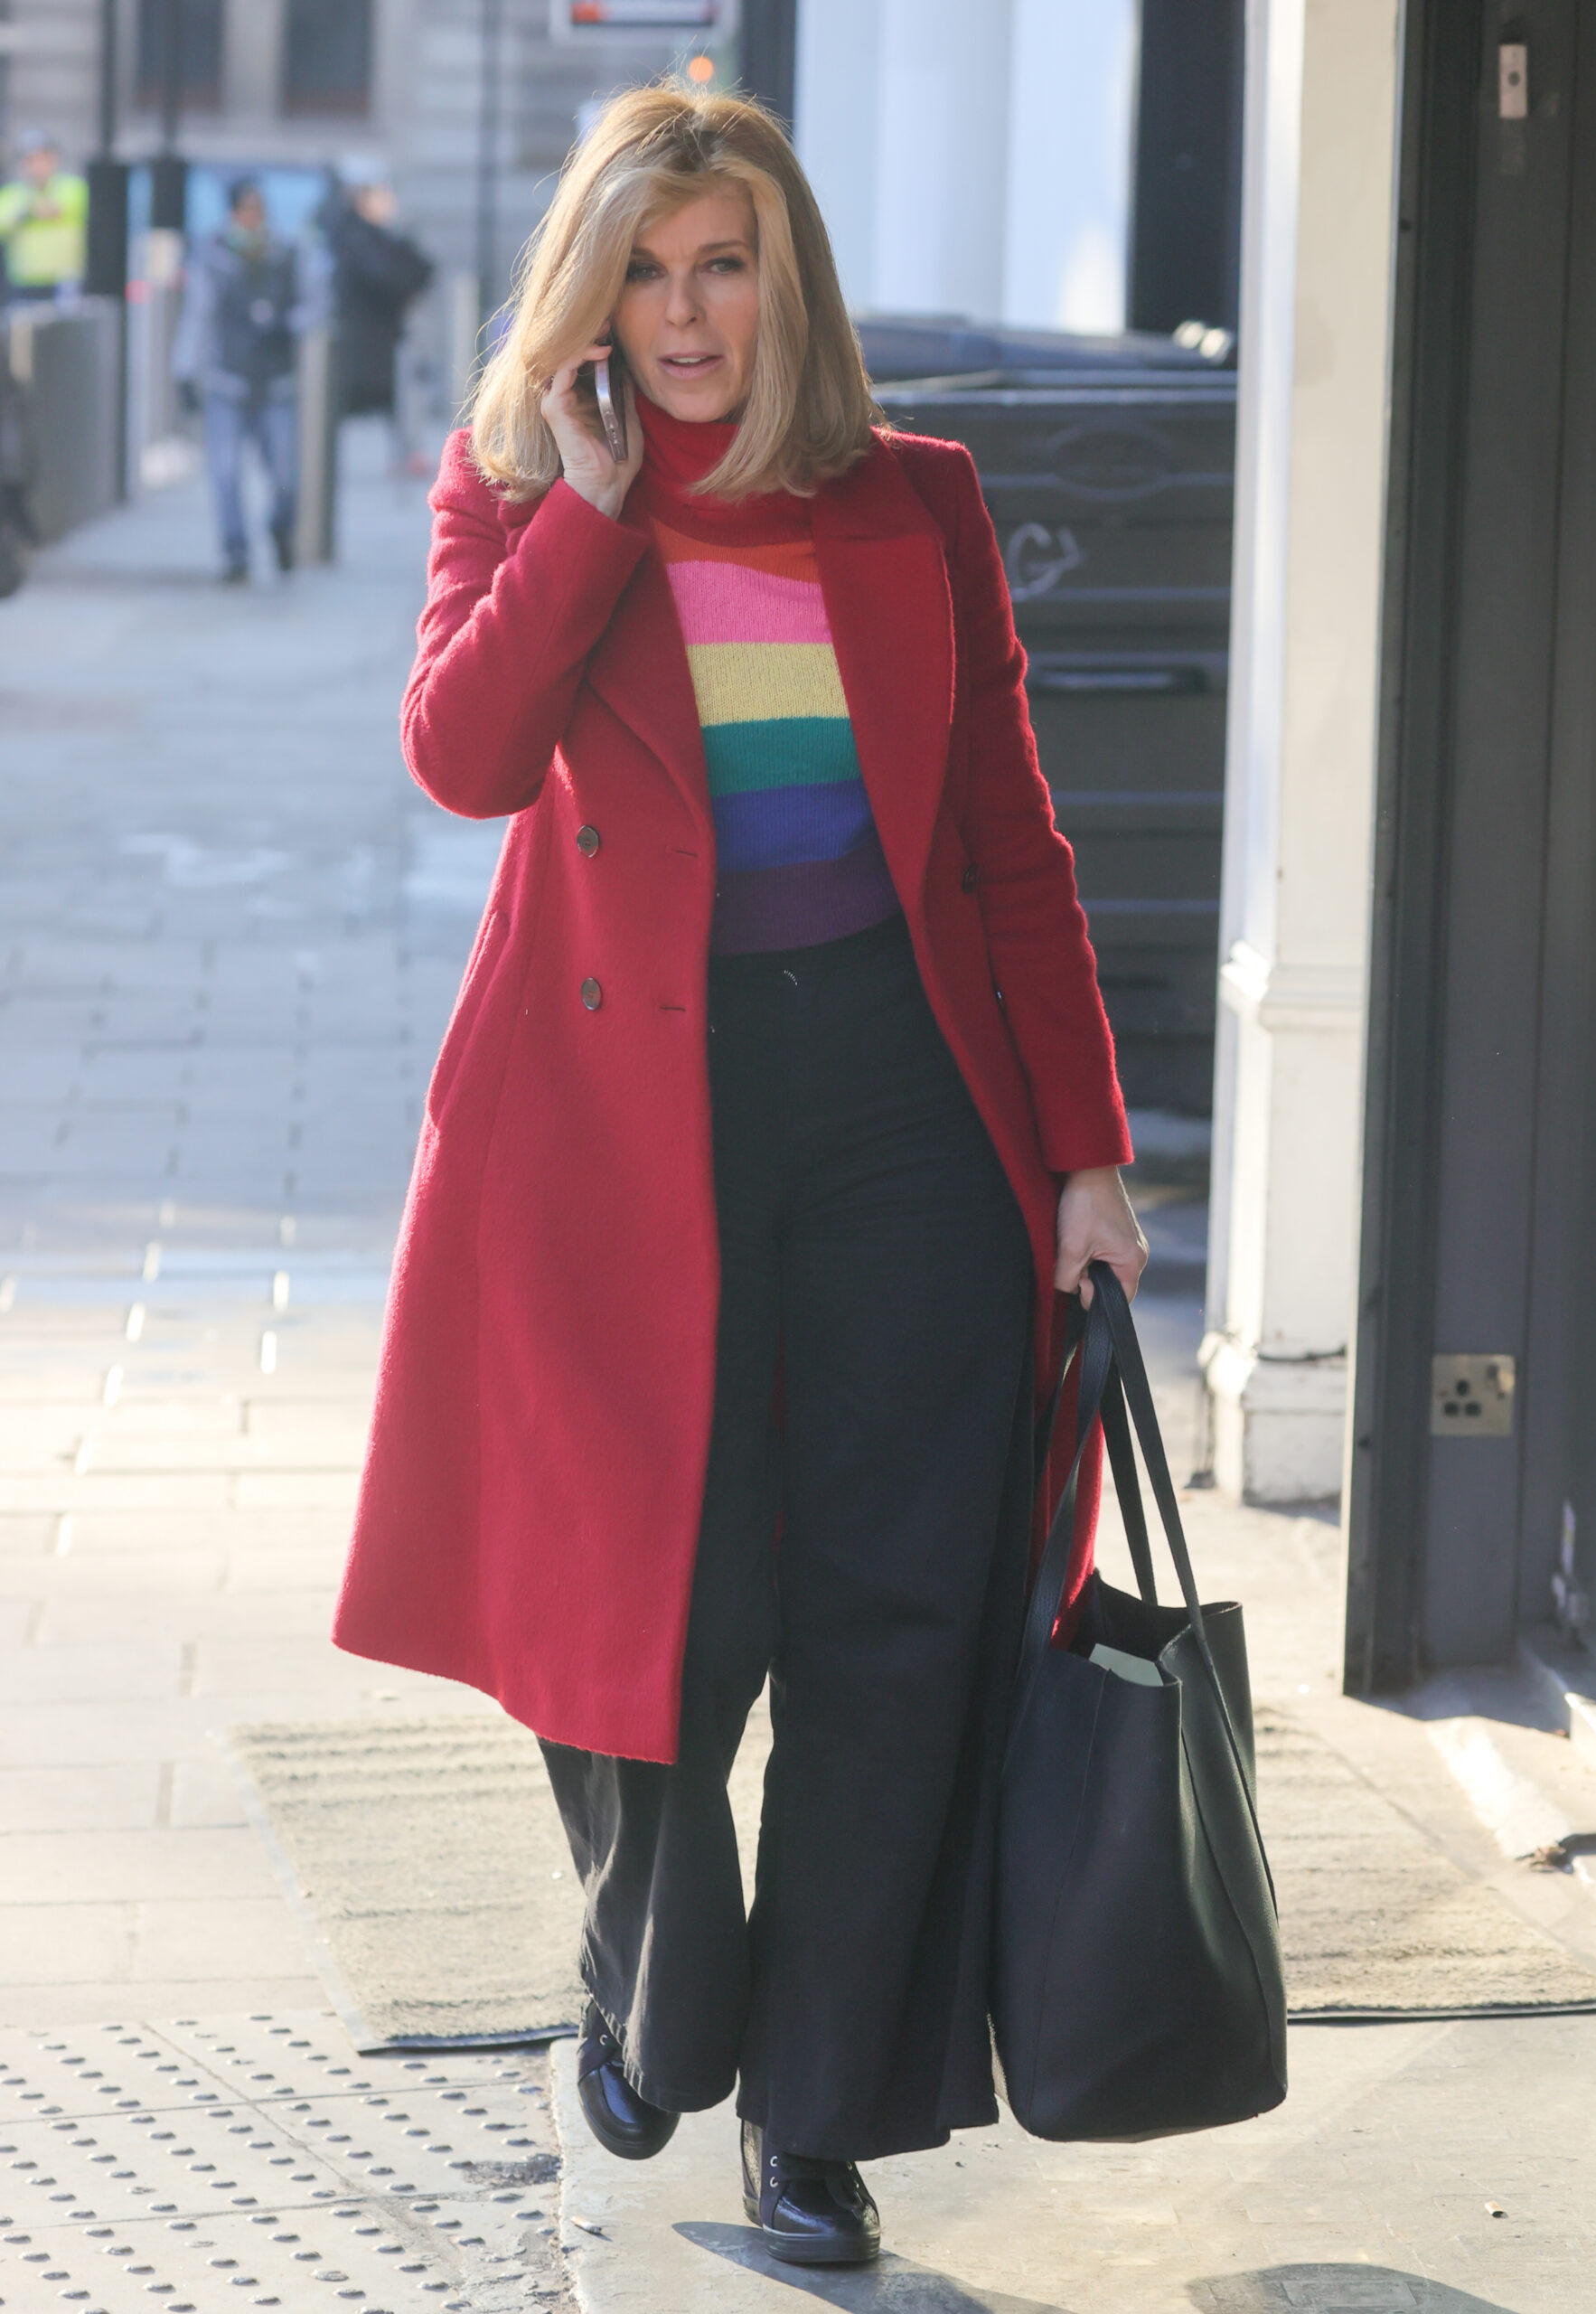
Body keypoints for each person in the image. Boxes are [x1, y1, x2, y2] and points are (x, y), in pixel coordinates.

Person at [331, 83, 1148, 2269]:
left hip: (908, 1112)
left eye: (725, 267)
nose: (686, 316)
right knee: (659, 1605)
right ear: (589, 294)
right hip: (626, 1124)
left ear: (790, 283)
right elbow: (462, 757)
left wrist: (1082, 1152)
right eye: (646, 272)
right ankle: (661, 1985)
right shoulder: (526, 480)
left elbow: (1012, 842)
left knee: (896, 1621)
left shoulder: (915, 500)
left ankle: (819, 2114)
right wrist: (591, 516)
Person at [172, 177, 319, 583]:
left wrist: (287, 324)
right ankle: (235, 552)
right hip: (227, 381)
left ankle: (281, 528)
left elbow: (315, 304)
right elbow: (198, 316)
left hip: (276, 382)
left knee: (286, 477)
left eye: (258, 210)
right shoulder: (212, 256)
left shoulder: (287, 253)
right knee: (224, 474)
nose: (252, 219)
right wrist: (184, 370)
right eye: (245, 210)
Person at [318, 168, 433, 468]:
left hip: (381, 340)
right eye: (383, 194)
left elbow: (422, 269)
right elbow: (392, 277)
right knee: (348, 406)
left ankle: (406, 455)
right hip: (364, 344)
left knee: (402, 396)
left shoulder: (379, 237)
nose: (390, 201)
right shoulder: (356, 238)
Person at [0, 132, 88, 305]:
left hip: (66, 281)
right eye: (31, 160)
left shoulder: (74, 188)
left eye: (44, 159)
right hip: (24, 281)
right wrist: (27, 212)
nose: (38, 166)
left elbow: (60, 210)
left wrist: (32, 212)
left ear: (55, 160)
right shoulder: (10, 194)